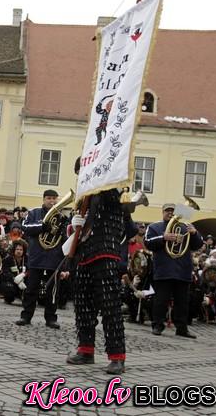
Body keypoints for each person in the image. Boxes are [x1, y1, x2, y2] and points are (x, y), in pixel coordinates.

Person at [65, 158, 128, 375]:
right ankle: (86, 349)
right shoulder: (83, 197)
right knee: (82, 305)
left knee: (110, 305)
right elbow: (77, 229)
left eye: (83, 172)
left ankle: (117, 356)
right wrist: (73, 227)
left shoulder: (111, 189)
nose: (81, 177)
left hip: (105, 251)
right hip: (83, 253)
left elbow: (125, 220)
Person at [145, 203, 203, 339]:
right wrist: (163, 238)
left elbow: (198, 244)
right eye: (167, 211)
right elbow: (147, 242)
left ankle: (182, 328)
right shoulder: (154, 227)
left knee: (182, 302)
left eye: (172, 211)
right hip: (164, 270)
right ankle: (157, 326)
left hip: (182, 270)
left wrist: (195, 234)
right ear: (162, 212)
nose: (170, 213)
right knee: (160, 301)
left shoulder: (184, 227)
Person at [16, 189, 66, 329]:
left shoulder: (62, 216)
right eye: (49, 198)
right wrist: (43, 226)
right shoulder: (34, 212)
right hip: (37, 255)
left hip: (54, 257)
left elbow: (65, 236)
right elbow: (24, 226)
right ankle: (26, 316)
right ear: (44, 199)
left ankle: (51, 318)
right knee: (31, 288)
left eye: (54, 199)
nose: (52, 201)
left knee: (53, 291)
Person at [0, 240, 28, 304]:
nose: (19, 251)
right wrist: (14, 279)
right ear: (14, 250)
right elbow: (5, 272)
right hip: (12, 281)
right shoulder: (8, 259)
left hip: (24, 281)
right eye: (17, 249)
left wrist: (23, 276)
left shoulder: (27, 259)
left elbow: (30, 270)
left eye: (21, 250)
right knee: (8, 288)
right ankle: (9, 298)